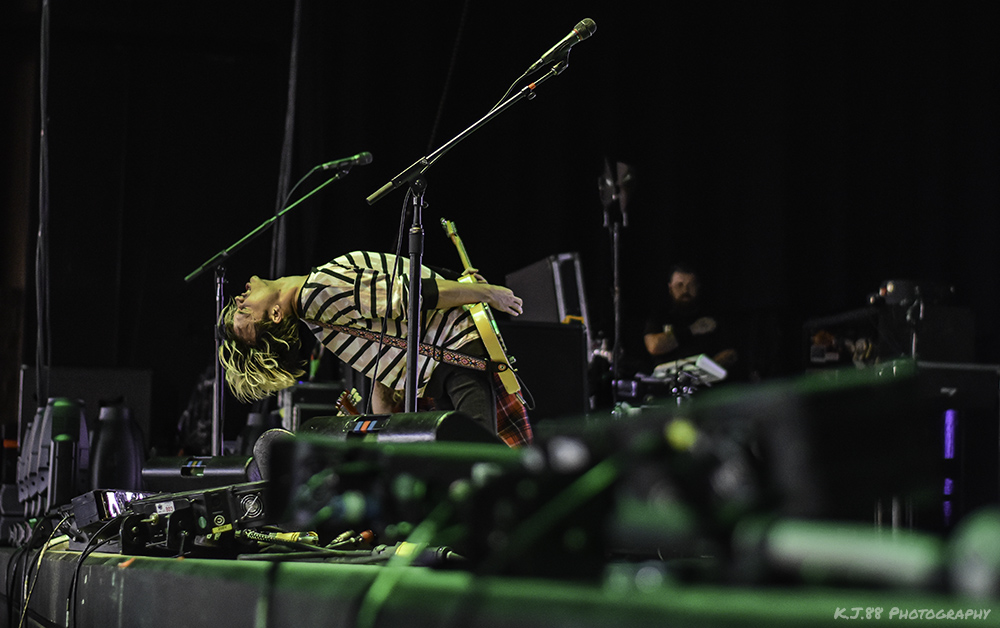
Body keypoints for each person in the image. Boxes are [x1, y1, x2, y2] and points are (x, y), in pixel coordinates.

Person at [217, 251, 532, 447]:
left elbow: (392, 314)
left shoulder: (316, 309)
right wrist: (486, 293)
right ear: (274, 314)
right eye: (244, 312)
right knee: (480, 462)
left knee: (468, 461)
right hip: (455, 349)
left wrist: (462, 286)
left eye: (239, 307)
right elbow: (409, 296)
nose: (240, 300)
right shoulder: (316, 294)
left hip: (447, 358)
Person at [642, 263, 738, 373]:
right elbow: (654, 346)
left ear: (698, 286)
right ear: (670, 287)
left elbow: (730, 353)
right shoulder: (660, 316)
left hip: (705, 381)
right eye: (680, 285)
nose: (685, 290)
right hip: (667, 382)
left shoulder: (711, 317)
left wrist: (706, 368)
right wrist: (691, 330)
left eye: (691, 285)